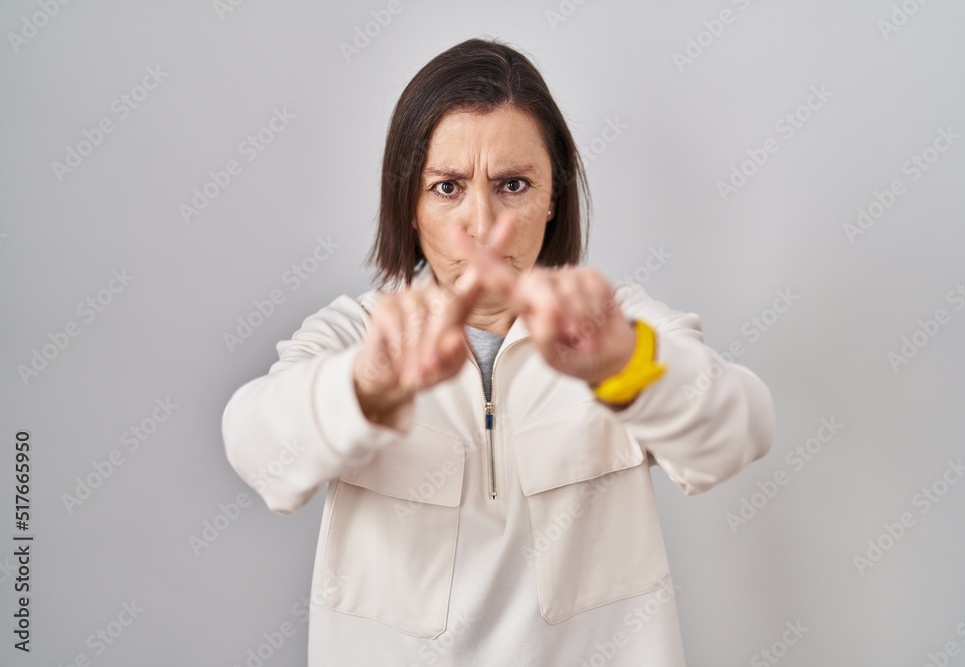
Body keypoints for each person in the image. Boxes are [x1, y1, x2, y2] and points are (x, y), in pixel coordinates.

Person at [221, 37, 775, 666]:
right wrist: (365, 386)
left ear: (553, 198)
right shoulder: (358, 333)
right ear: (408, 205)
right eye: (447, 187)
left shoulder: (613, 327)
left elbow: (741, 429)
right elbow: (255, 447)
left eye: (513, 184)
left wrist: (624, 365)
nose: (482, 225)